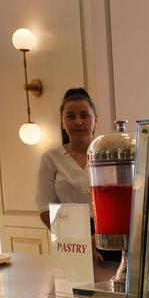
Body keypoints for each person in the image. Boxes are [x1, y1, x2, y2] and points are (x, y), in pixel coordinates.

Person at [36, 87, 104, 260]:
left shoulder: (108, 153)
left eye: (84, 115)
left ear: (95, 119)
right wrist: (78, 244)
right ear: (62, 122)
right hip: (70, 241)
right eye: (71, 116)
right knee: (72, 285)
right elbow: (45, 209)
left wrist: (98, 238)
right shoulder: (50, 158)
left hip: (109, 235)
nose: (78, 122)